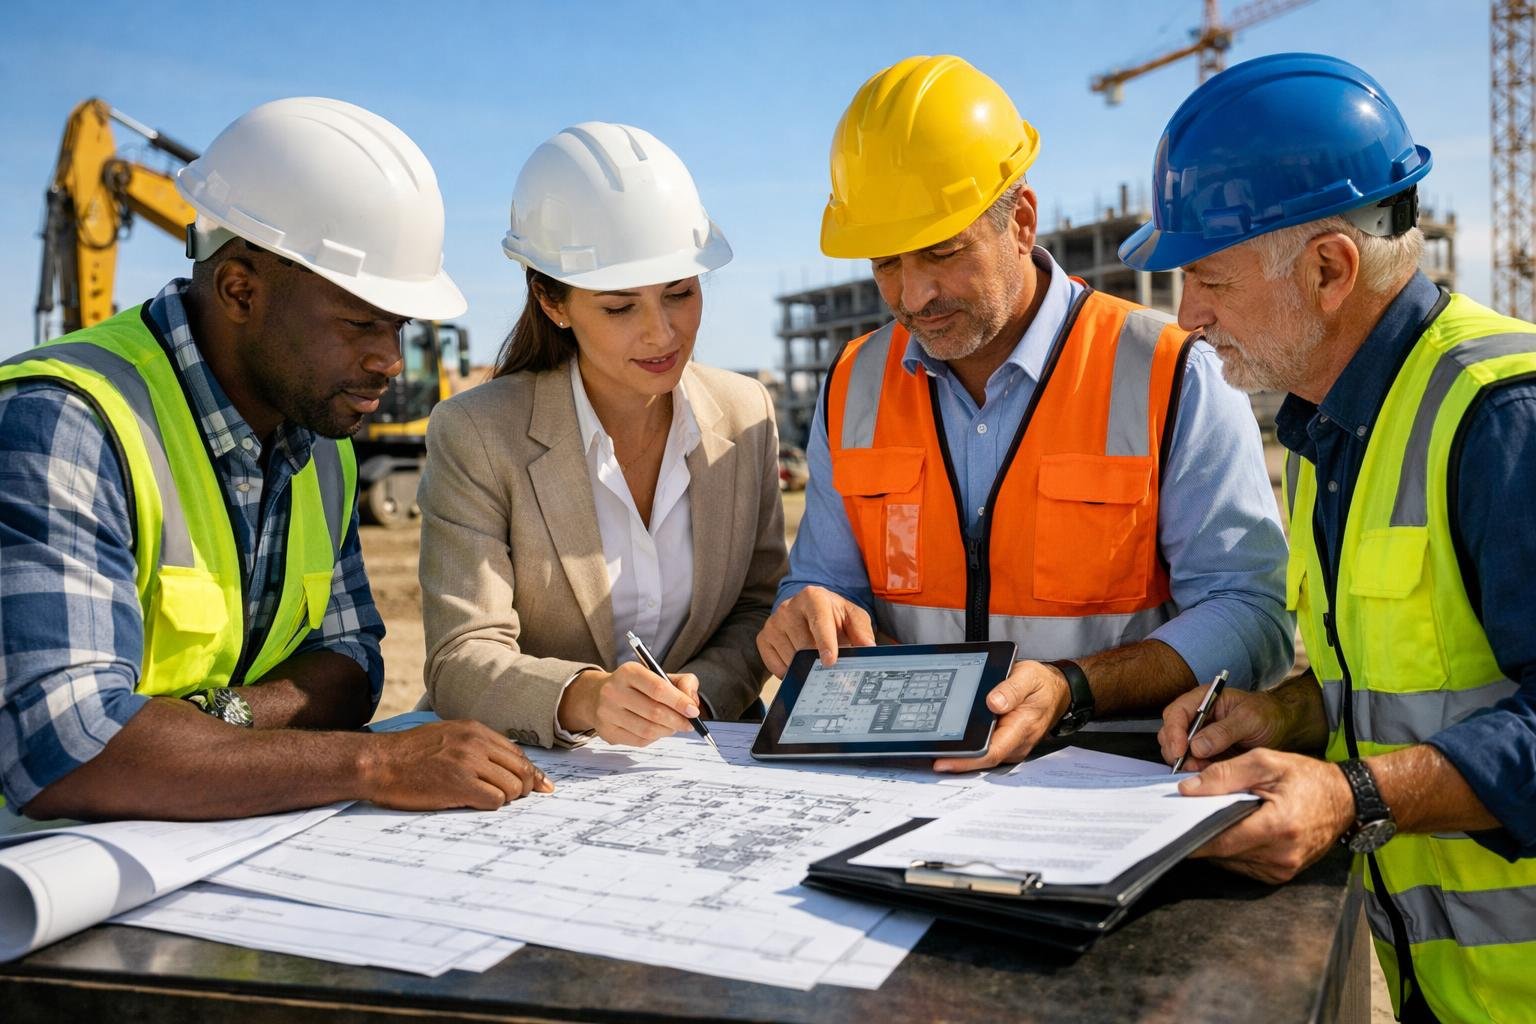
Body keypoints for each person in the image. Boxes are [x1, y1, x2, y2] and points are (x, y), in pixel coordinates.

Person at [0, 98, 552, 822]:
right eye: (360, 323)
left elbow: (353, 666)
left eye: (399, 327)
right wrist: (374, 762)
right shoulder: (68, 421)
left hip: (204, 852)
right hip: (44, 881)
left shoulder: (321, 443)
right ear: (239, 289)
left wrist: (209, 726)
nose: (387, 360)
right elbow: (67, 747)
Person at [1130, 53, 1536, 1022]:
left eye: (1208, 277)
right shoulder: (1326, 431)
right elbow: (1419, 678)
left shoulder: (1503, 416)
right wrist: (1286, 718)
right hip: (1445, 985)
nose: (1188, 317)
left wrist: (1352, 794)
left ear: (1328, 267)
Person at [758, 55, 1293, 771]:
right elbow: (824, 584)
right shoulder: (852, 383)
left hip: (1108, 777)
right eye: (886, 264)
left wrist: (1073, 689)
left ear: (1022, 222)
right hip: (900, 783)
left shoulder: (1170, 374)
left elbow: (1253, 621)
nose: (913, 296)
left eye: (942, 254)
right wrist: (805, 613)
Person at [417, 122, 787, 750]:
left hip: (704, 758)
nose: (662, 333)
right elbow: (461, 655)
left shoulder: (744, 412)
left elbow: (757, 604)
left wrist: (699, 693)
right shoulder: (476, 432)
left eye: (680, 294)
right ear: (552, 302)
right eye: (620, 307)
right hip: (532, 767)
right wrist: (585, 698)